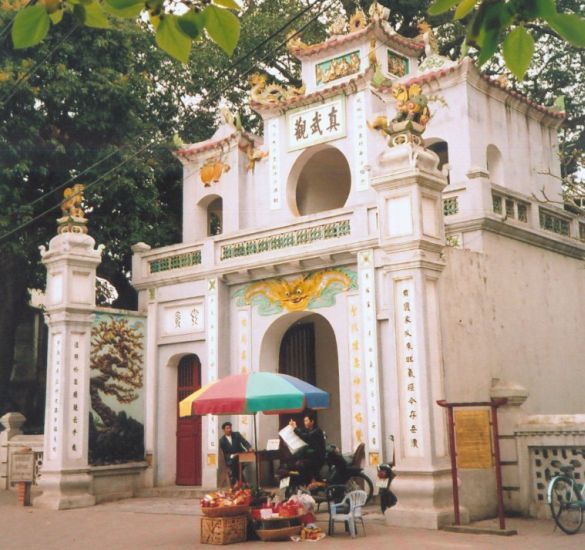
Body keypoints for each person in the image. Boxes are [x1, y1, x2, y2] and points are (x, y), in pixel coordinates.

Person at [288, 412, 326, 482]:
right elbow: (302, 433)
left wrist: (295, 428)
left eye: (306, 421)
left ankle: (310, 482)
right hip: (311, 457)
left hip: (318, 458)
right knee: (296, 464)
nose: (305, 423)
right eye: (304, 421)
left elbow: (306, 436)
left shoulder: (317, 431)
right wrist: (294, 427)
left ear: (312, 421)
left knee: (301, 464)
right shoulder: (308, 430)